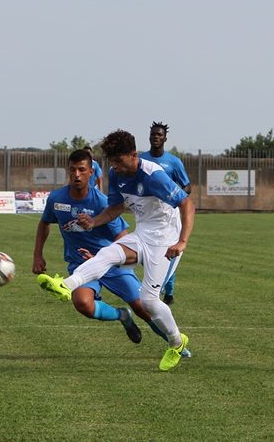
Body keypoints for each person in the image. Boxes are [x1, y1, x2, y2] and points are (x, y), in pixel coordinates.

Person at [38, 129, 193, 372]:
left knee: (149, 303)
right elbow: (115, 208)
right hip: (143, 233)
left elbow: (187, 203)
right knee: (108, 254)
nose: (114, 167)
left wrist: (182, 241)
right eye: (111, 161)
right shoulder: (116, 173)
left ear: (133, 155)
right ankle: (65, 285)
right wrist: (94, 222)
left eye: (118, 161)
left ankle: (176, 342)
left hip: (166, 240)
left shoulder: (155, 177)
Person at [33, 148, 146, 344]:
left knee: (143, 307)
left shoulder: (102, 202)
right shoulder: (56, 199)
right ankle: (122, 316)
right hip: (81, 264)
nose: (77, 175)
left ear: (91, 172)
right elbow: (44, 223)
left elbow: (123, 236)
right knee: (82, 303)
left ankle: (176, 341)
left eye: (82, 170)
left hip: (112, 264)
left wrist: (105, 258)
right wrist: (37, 255)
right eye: (73, 170)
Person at [139, 121, 191, 305]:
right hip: (146, 213)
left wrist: (173, 196)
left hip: (168, 214)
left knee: (168, 252)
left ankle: (168, 292)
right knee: (147, 255)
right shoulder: (141, 160)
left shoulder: (173, 162)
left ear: (165, 138)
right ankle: (157, 288)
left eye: (159, 135)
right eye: (153, 134)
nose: (156, 137)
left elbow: (187, 186)